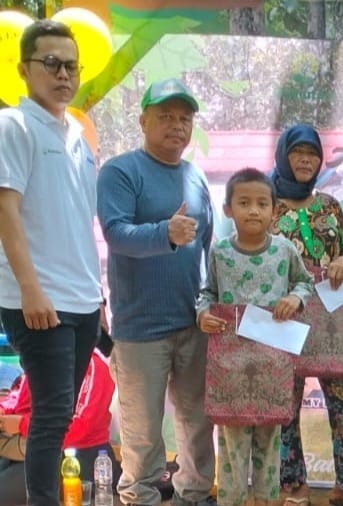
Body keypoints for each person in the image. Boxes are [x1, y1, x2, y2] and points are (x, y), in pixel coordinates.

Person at [97, 78, 216, 506]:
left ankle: (194, 496)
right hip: (139, 329)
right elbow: (116, 233)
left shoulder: (195, 177)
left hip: (193, 324)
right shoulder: (120, 171)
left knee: (198, 423)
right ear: (143, 120)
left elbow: (208, 250)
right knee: (143, 433)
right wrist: (165, 232)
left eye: (185, 118)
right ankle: (140, 497)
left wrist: (209, 304)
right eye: (165, 116)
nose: (177, 125)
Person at [0, 19, 104, 503]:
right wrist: (30, 289)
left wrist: (97, 295)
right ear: (24, 69)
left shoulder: (78, 136)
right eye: (51, 63)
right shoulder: (12, 126)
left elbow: (78, 221)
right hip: (39, 299)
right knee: (53, 412)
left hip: (82, 299)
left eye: (71, 66)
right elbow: (6, 212)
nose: (63, 74)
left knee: (62, 415)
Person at [197, 168, 314, 506]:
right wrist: (203, 314)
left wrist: (296, 298)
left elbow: (304, 282)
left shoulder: (284, 250)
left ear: (274, 211)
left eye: (262, 204)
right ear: (227, 209)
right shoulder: (220, 252)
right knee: (232, 447)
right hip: (230, 369)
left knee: (269, 444)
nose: (253, 210)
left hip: (272, 367)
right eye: (244, 202)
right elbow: (207, 292)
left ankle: (266, 500)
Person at [268, 124, 343, 506]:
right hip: (285, 317)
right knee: (285, 404)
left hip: (333, 319)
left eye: (312, 153)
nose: (305, 159)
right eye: (297, 152)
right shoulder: (266, 203)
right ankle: (294, 485)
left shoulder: (329, 205)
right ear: (284, 156)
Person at [0, 348, 121, 506]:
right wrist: (4, 412)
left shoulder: (92, 365)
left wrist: (21, 424)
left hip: (78, 458)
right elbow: (20, 403)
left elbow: (80, 426)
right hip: (32, 449)